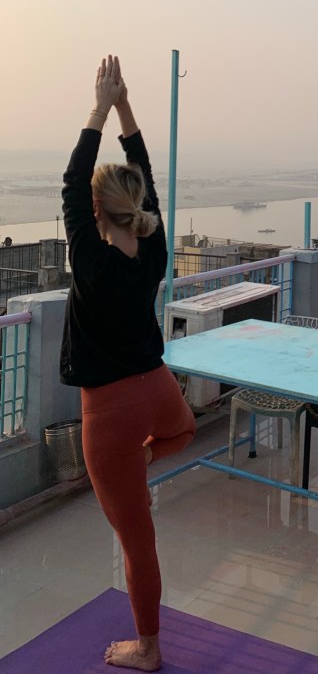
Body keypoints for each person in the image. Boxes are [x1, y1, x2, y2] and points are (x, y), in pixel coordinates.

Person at [61, 55, 195, 671]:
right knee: (183, 432)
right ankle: (144, 458)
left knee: (136, 540)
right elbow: (139, 182)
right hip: (157, 388)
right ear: (135, 205)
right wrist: (121, 110)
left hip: (109, 411)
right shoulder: (154, 253)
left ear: (95, 215)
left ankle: (148, 647)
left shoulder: (92, 265)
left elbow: (71, 182)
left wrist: (101, 104)